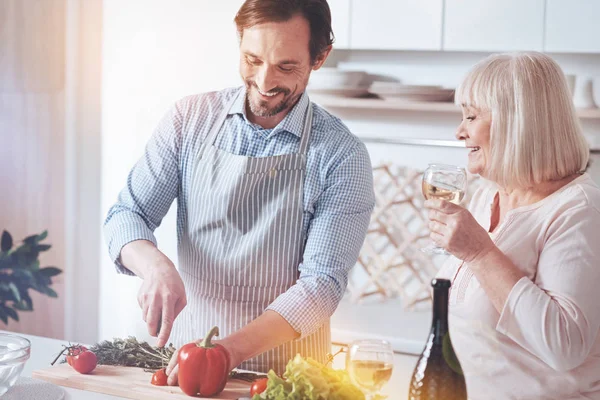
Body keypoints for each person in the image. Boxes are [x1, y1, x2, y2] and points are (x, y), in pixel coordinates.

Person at [102, 0, 374, 383]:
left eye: (286, 66)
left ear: (320, 57)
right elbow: (127, 215)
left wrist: (227, 350)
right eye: (253, 59)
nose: (265, 83)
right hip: (187, 368)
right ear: (239, 41)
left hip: (288, 378)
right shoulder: (188, 121)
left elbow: (321, 284)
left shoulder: (342, 155)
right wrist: (155, 266)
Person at [425, 51, 600, 399]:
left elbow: (564, 346)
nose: (460, 131)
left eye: (472, 116)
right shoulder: (487, 195)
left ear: (516, 121)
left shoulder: (579, 210)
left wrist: (478, 252)